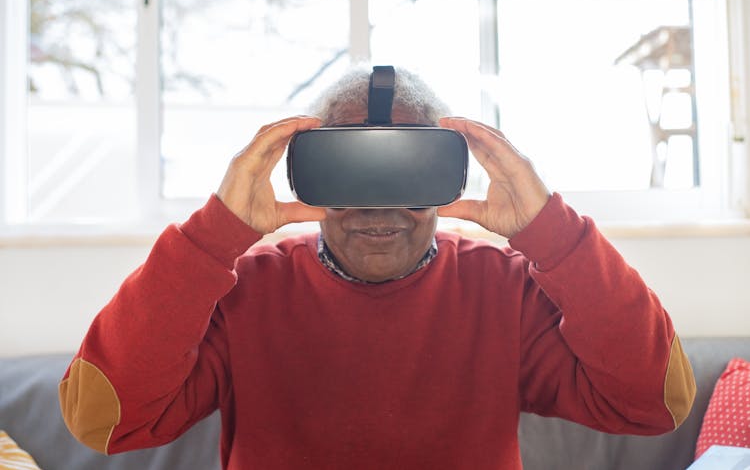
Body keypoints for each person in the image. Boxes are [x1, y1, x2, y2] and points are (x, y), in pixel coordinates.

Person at [59, 67, 696, 469]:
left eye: (407, 172)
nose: (378, 205)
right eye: (351, 172)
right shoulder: (243, 290)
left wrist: (551, 234)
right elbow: (104, 419)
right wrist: (211, 238)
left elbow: (655, 404)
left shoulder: (503, 289)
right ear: (304, 174)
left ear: (449, 176)